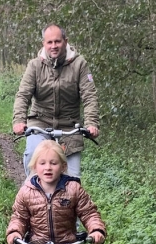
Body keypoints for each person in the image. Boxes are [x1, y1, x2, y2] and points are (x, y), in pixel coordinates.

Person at [12, 23, 100, 179]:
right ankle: (31, 197)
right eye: (50, 42)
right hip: (39, 123)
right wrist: (19, 120)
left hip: (70, 126)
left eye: (57, 41)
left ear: (65, 41)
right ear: (44, 44)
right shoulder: (35, 65)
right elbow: (23, 94)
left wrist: (91, 123)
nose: (54, 46)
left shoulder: (79, 64)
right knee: (33, 162)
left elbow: (89, 95)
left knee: (73, 179)